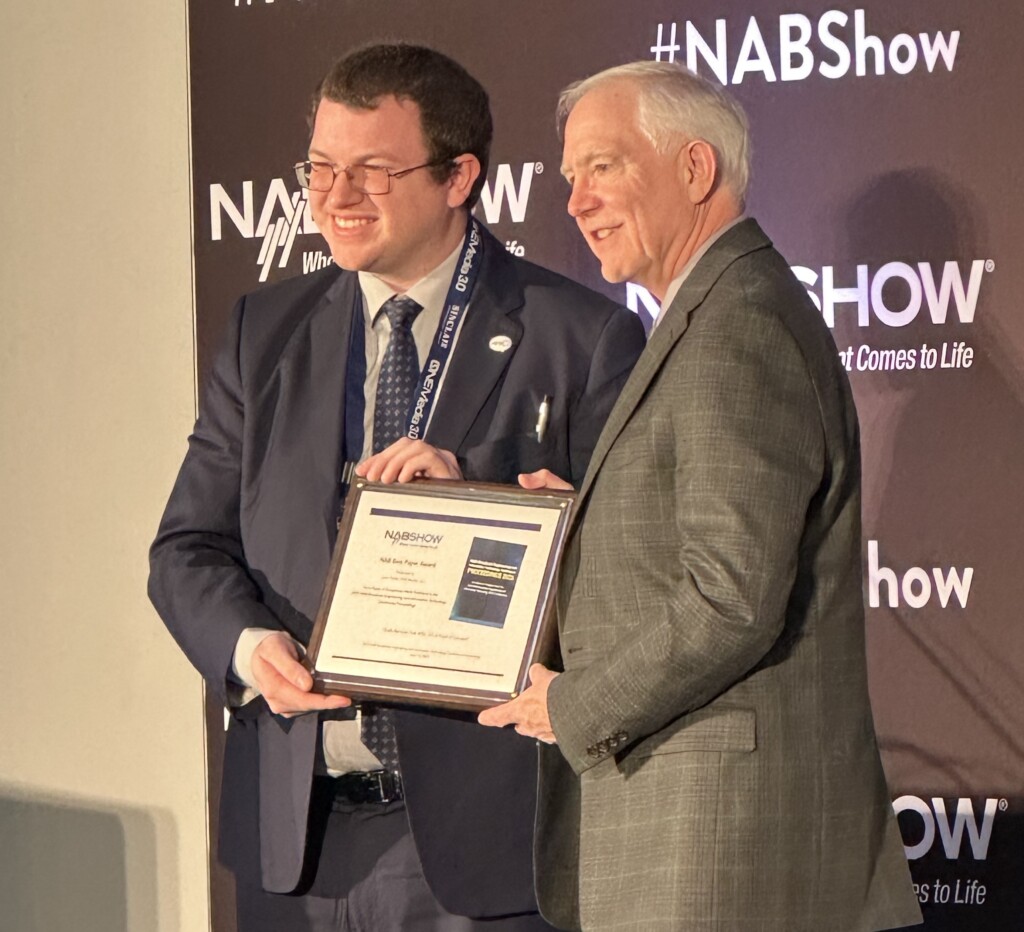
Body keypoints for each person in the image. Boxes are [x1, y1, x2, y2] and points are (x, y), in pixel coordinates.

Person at [149, 44, 645, 932]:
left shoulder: (581, 338)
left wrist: (483, 506)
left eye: (372, 171)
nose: (335, 198)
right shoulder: (263, 331)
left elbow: (637, 578)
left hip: (481, 841)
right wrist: (251, 649)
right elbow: (187, 548)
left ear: (459, 177)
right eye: (321, 168)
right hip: (296, 840)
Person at [479, 61, 924, 932]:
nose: (575, 202)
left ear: (694, 170)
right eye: (571, 177)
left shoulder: (738, 326)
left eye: (602, 166)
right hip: (694, 835)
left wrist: (571, 705)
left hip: (723, 848)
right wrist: (583, 522)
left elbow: (731, 597)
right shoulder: (707, 313)